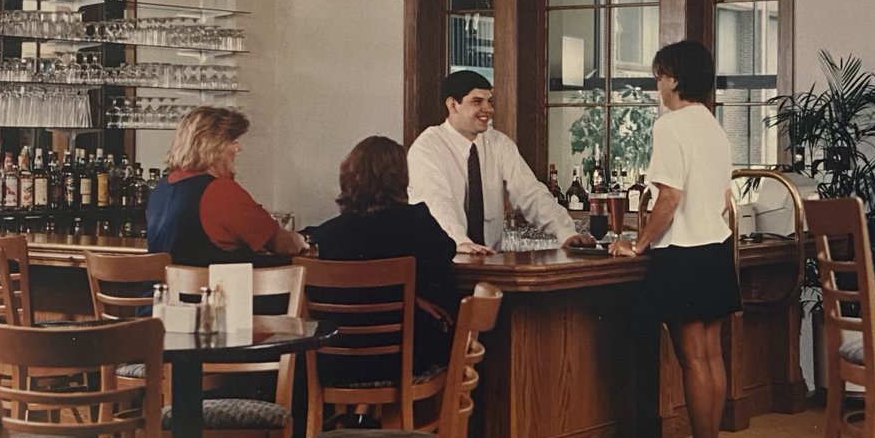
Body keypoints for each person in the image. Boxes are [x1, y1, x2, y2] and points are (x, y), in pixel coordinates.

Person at [608, 40, 740, 438]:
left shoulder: (671, 126)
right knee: (711, 355)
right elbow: (723, 198)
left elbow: (669, 196)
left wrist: (639, 243)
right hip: (715, 247)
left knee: (692, 359)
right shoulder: (712, 126)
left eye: (660, 77)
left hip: (683, 253)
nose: (658, 86)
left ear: (676, 80)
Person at [305, 135, 459, 380]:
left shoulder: (327, 235)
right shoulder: (417, 222)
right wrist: (413, 298)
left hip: (336, 363)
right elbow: (446, 251)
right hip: (404, 362)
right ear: (400, 177)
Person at [407, 69, 590, 254]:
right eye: (477, 101)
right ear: (453, 105)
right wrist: (459, 242)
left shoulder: (499, 143)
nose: (488, 109)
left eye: (489, 101)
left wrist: (565, 232)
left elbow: (531, 192)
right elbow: (435, 204)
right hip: (444, 260)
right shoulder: (427, 147)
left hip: (489, 260)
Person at [147, 106, 307, 266]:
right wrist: (300, 240)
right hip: (212, 289)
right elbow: (281, 244)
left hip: (162, 289)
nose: (239, 148)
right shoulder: (220, 192)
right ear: (212, 146)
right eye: (233, 141)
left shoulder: (162, 188)